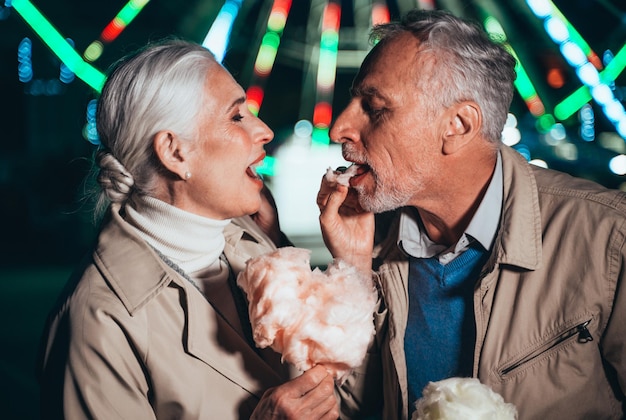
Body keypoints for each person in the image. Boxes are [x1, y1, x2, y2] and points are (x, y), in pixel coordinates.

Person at [318, 9, 626, 420]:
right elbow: (361, 408)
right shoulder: (375, 242)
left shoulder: (608, 238)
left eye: (374, 108)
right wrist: (353, 270)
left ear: (459, 125)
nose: (338, 128)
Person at [38, 39, 340, 419]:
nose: (263, 130)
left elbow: (351, 399)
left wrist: (347, 258)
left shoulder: (257, 246)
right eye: (236, 117)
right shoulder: (97, 321)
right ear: (175, 152)